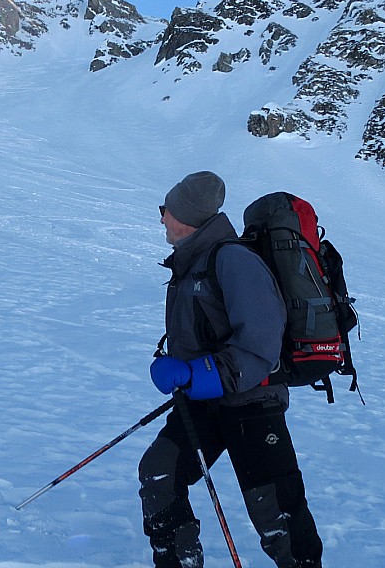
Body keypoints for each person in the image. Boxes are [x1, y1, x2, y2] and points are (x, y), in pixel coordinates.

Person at [138, 171, 323, 568]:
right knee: (160, 473)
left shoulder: (234, 261)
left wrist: (191, 374)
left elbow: (259, 348)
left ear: (186, 216)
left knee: (276, 514)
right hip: (206, 403)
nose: (161, 219)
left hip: (253, 403)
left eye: (165, 211)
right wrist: (175, 365)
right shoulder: (191, 266)